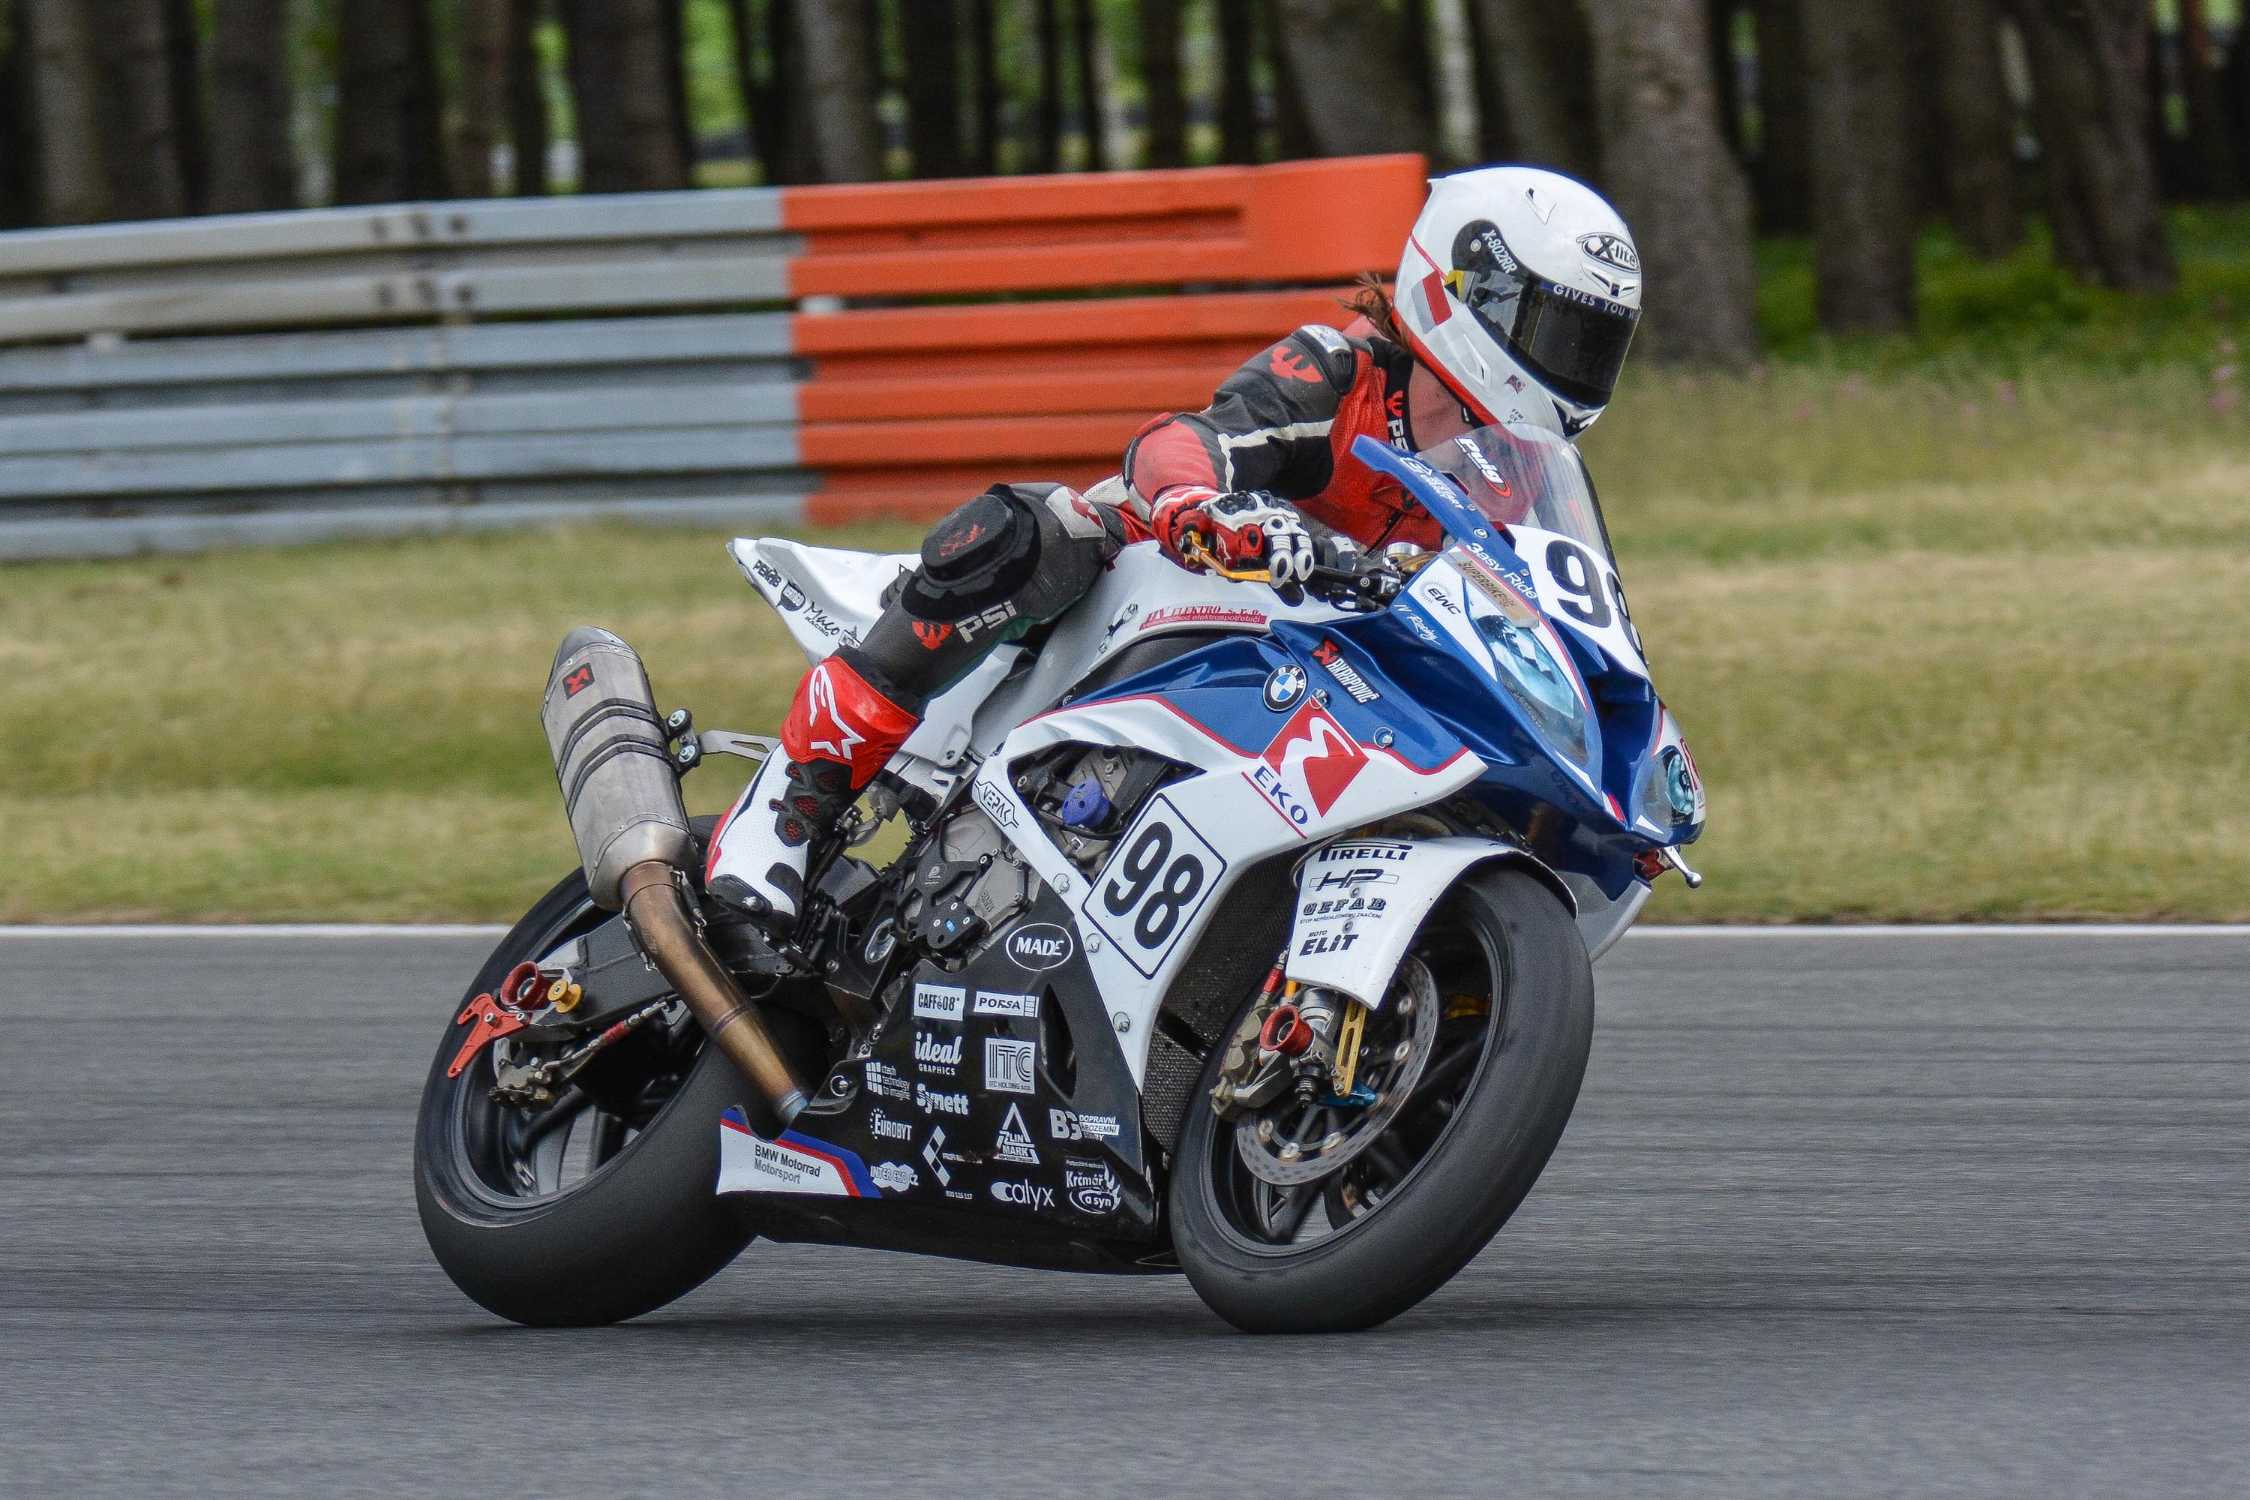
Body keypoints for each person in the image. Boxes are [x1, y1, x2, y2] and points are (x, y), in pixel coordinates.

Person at [707, 164, 1645, 926]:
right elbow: (1184, 438)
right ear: (1462, 289)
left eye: (1595, 343)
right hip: (1178, 586)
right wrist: (1205, 504)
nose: (1573, 364)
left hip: (1340, 670)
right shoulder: (1342, 369)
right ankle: (791, 807)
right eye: (1557, 328)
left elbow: (1551, 607)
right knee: (1045, 532)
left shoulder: (1516, 477)